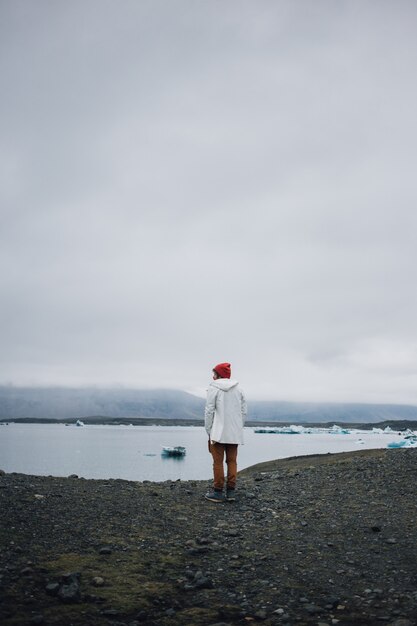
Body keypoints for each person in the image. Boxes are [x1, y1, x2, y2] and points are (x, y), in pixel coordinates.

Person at [204, 362, 247, 502]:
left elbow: (209, 410)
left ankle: (217, 492)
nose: (213, 376)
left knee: (218, 461)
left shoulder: (213, 388)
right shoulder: (239, 389)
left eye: (214, 373)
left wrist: (208, 429)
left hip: (218, 431)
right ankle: (231, 492)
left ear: (219, 374)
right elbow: (243, 411)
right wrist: (239, 427)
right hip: (234, 432)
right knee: (232, 461)